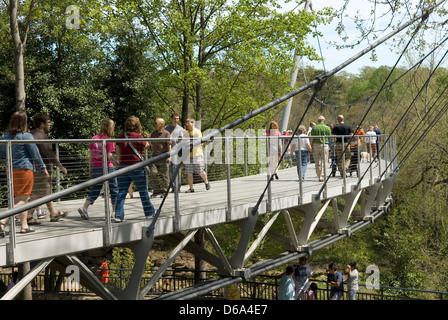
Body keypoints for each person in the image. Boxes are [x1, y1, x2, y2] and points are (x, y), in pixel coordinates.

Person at [0, 111, 49, 236]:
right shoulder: (26, 136)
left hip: (10, 169)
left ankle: (24, 225)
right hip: (24, 169)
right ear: (24, 122)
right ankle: (2, 220)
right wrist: (43, 168)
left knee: (18, 198)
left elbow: (1, 154)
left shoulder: (5, 135)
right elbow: (35, 154)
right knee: (24, 198)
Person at [27, 113, 68, 224]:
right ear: (42, 124)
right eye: (48, 122)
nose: (50, 125)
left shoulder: (30, 134)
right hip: (42, 169)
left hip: (32, 168)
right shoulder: (41, 136)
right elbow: (49, 154)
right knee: (37, 193)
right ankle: (29, 215)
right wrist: (61, 166)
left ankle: (53, 213)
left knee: (45, 192)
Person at [114, 116, 155, 223]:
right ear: (137, 125)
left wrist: (119, 163)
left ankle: (118, 215)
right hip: (137, 167)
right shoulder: (138, 136)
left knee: (122, 192)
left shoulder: (121, 136)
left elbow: (117, 150)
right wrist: (149, 139)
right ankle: (149, 213)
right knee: (143, 191)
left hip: (123, 167)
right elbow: (146, 146)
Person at [78, 118, 119, 220]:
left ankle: (84, 208)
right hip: (108, 168)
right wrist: (117, 164)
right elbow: (109, 156)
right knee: (114, 189)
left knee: (95, 188)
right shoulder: (109, 140)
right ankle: (115, 212)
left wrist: (90, 167)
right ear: (110, 128)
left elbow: (91, 155)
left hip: (96, 167)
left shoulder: (94, 138)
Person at [184, 118, 210, 193]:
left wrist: (190, 145)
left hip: (197, 154)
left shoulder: (197, 132)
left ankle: (206, 182)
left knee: (200, 171)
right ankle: (191, 188)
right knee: (189, 172)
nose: (187, 125)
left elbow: (199, 143)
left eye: (188, 123)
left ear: (192, 123)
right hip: (188, 155)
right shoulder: (186, 132)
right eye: (186, 123)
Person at [149, 118, 171, 198]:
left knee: (165, 175)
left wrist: (169, 156)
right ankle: (156, 191)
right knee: (152, 172)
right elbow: (151, 144)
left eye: (155, 123)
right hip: (155, 155)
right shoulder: (153, 133)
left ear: (161, 124)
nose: (154, 124)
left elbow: (169, 145)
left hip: (164, 155)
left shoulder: (166, 133)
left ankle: (165, 191)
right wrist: (148, 140)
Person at [165, 112, 184, 192]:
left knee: (176, 169)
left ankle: (178, 186)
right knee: (170, 169)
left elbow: (182, 140)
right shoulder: (167, 127)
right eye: (175, 118)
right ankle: (173, 187)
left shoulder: (180, 128)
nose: (176, 120)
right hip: (168, 151)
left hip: (176, 151)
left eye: (177, 118)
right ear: (171, 118)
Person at [309, 116, 331, 182]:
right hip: (324, 145)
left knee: (317, 161)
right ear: (324, 120)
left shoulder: (314, 128)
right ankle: (323, 175)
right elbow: (329, 137)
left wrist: (311, 146)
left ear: (318, 121)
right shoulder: (327, 128)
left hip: (316, 145)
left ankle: (319, 176)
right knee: (324, 160)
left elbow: (311, 138)